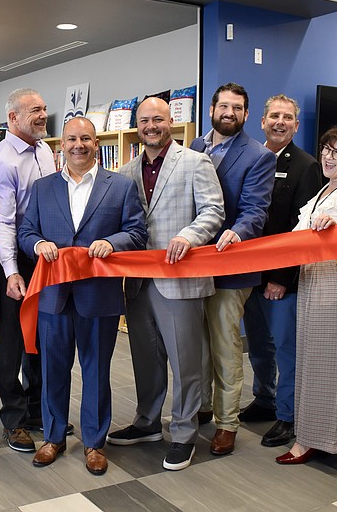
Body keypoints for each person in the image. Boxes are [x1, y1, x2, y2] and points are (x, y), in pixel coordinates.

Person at [19, 117, 147, 475]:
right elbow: (26, 230)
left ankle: (94, 442)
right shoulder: (43, 188)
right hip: (54, 296)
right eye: (72, 139)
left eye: (86, 139)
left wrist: (113, 242)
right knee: (53, 370)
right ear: (62, 145)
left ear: (96, 143)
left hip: (99, 296)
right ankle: (54, 437)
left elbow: (136, 231)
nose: (79, 145)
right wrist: (38, 243)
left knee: (96, 372)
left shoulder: (120, 186)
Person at [107, 97, 225, 470]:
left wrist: (189, 236)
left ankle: (185, 433)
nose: (151, 126)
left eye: (158, 119)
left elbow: (214, 210)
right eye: (144, 121)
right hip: (139, 281)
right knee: (145, 357)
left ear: (170, 122)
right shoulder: (125, 173)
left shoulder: (195, 161)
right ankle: (147, 422)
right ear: (137, 126)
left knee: (185, 361)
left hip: (179, 279)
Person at [276, 122, 337, 465]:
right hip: (314, 282)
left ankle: (320, 440)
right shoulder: (323, 192)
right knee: (313, 361)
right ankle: (327, 433)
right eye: (326, 149)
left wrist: (336, 229)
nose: (328, 156)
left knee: (334, 364)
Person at [189, 83, 275, 455]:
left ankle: (227, 424)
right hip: (193, 264)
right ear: (212, 109)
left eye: (237, 108)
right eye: (223, 106)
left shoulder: (258, 156)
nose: (229, 113)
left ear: (245, 114)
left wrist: (235, 234)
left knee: (226, 347)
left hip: (231, 266)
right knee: (199, 344)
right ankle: (204, 406)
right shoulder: (194, 147)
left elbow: (256, 211)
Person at [0, 88, 60, 452]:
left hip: (43, 254)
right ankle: (13, 421)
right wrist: (11, 271)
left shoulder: (44, 150)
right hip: (13, 257)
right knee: (13, 339)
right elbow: (5, 224)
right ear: (13, 118)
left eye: (43, 108)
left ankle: (36, 411)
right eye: (34, 111)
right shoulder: (2, 161)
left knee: (41, 336)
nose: (43, 115)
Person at [240, 95, 322, 447]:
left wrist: (281, 278)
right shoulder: (251, 158)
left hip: (279, 279)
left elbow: (299, 229)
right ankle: (265, 398)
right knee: (258, 344)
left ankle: (288, 415)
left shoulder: (306, 166)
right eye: (274, 115)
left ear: (296, 126)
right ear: (262, 121)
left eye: (287, 117)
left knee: (285, 347)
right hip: (247, 274)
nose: (280, 122)